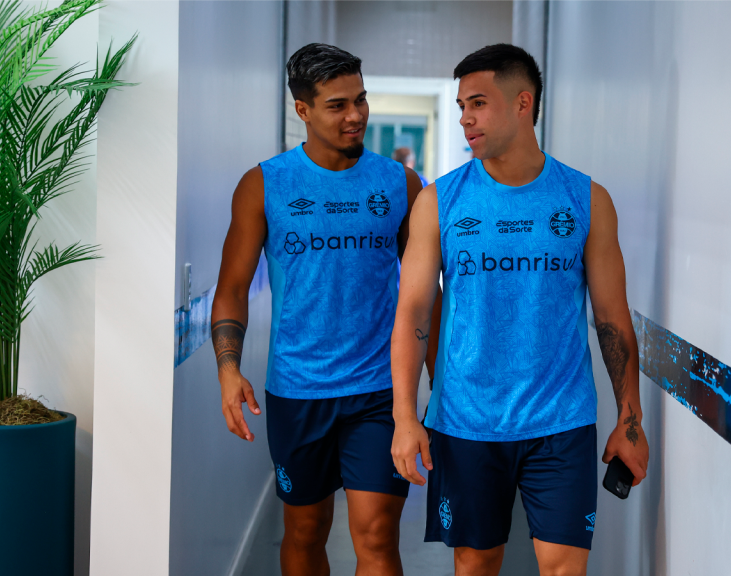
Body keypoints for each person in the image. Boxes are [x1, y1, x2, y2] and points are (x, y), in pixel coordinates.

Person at [389, 44, 649, 576]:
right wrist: (404, 416)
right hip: (467, 420)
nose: (465, 118)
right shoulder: (439, 202)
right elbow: (413, 312)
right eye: (462, 106)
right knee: (476, 565)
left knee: (564, 569)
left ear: (523, 103)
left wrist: (630, 418)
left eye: (478, 103)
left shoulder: (586, 200)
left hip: (561, 420)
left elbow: (611, 319)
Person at [210, 43, 436, 576]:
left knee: (377, 534)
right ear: (303, 110)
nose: (355, 115)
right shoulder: (264, 185)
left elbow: (426, 294)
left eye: (360, 100)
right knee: (306, 531)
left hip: (378, 391)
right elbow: (232, 287)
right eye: (337, 105)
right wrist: (227, 369)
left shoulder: (400, 184)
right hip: (297, 391)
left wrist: (440, 380)